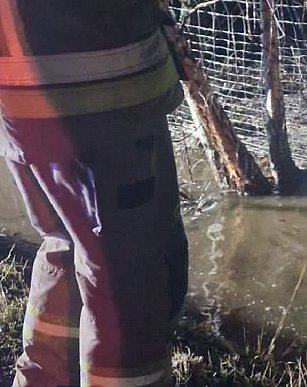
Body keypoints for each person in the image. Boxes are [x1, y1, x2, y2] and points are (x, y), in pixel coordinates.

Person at [0, 1, 188, 385]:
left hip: (25, 98)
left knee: (69, 243)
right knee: (126, 278)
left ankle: (44, 378)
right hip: (100, 98)